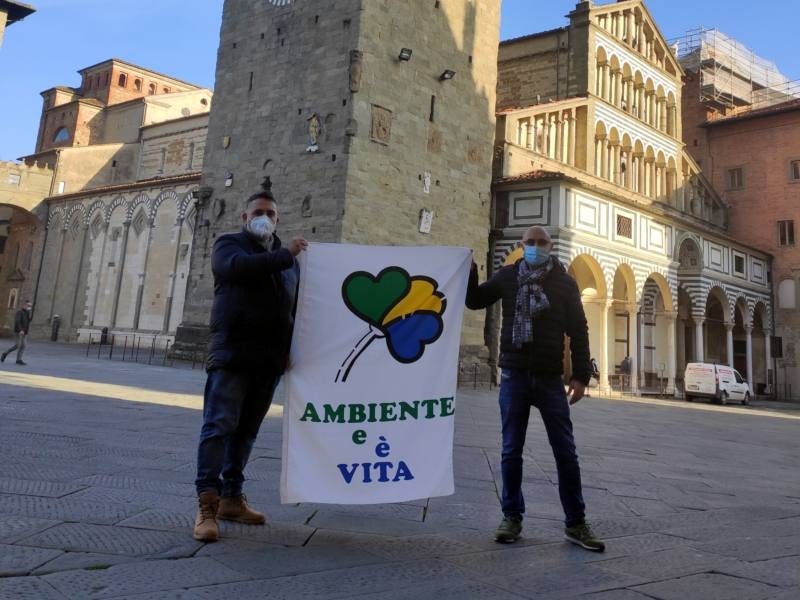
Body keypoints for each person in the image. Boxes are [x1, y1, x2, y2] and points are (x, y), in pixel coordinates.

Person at [466, 226, 604, 552]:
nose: (536, 247)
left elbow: (579, 330)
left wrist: (581, 376)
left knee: (566, 453)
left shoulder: (565, 283)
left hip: (549, 379)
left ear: (550, 245)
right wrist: (469, 270)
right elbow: (475, 300)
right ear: (521, 245)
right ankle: (511, 517)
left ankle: (576, 523)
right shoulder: (507, 276)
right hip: (514, 374)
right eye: (531, 243)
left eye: (542, 243)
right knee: (511, 451)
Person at [193, 190, 308, 542]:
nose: (265, 218)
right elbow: (237, 270)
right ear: (245, 218)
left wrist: (290, 348)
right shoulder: (229, 245)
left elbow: (296, 309)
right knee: (219, 427)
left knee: (246, 432)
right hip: (232, 354)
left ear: (278, 219)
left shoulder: (288, 263)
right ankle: (206, 505)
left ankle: (231, 498)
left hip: (269, 359)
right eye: (258, 212)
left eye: (271, 213)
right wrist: (287, 254)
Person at [1, 300, 32, 366]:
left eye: (30, 306)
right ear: (24, 305)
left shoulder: (27, 313)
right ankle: (5, 353)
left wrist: (26, 331)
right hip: (19, 331)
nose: (29, 307)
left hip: (25, 332)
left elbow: (27, 323)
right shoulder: (19, 312)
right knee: (18, 345)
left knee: (23, 346)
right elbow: (17, 321)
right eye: (28, 305)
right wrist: (20, 330)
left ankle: (18, 360)